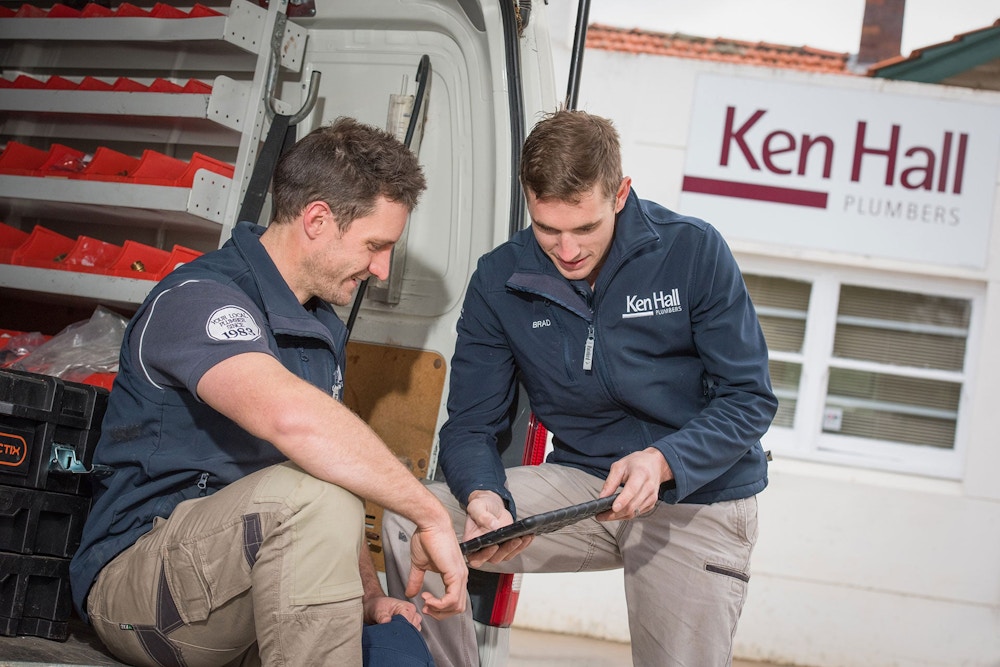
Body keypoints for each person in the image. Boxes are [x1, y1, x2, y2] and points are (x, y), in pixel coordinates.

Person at [382, 109, 778, 666]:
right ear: (529, 201)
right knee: (414, 522)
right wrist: (482, 495)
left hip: (696, 494)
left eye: (585, 228)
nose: (567, 250)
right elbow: (470, 424)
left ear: (621, 194)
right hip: (586, 487)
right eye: (548, 230)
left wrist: (663, 460)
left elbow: (749, 398)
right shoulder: (499, 280)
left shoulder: (691, 251)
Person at [70, 117, 468, 667]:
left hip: (244, 584)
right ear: (317, 219)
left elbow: (328, 471)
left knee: (399, 649)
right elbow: (292, 423)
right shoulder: (200, 299)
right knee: (312, 496)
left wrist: (370, 596)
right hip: (140, 587)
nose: (382, 269)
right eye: (375, 245)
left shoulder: (317, 326)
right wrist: (431, 514)